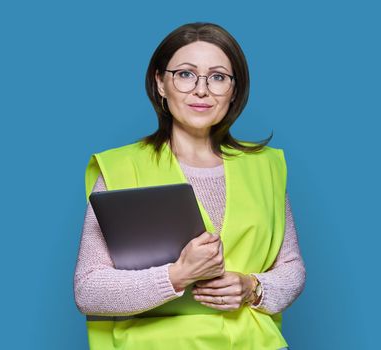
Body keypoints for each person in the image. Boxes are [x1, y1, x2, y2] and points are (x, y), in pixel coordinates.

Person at [74, 22, 306, 350]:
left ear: (234, 90)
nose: (201, 90)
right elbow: (89, 291)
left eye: (218, 77)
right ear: (160, 83)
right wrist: (176, 276)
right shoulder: (120, 169)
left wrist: (252, 287)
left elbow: (292, 268)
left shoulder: (266, 167)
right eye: (185, 74)